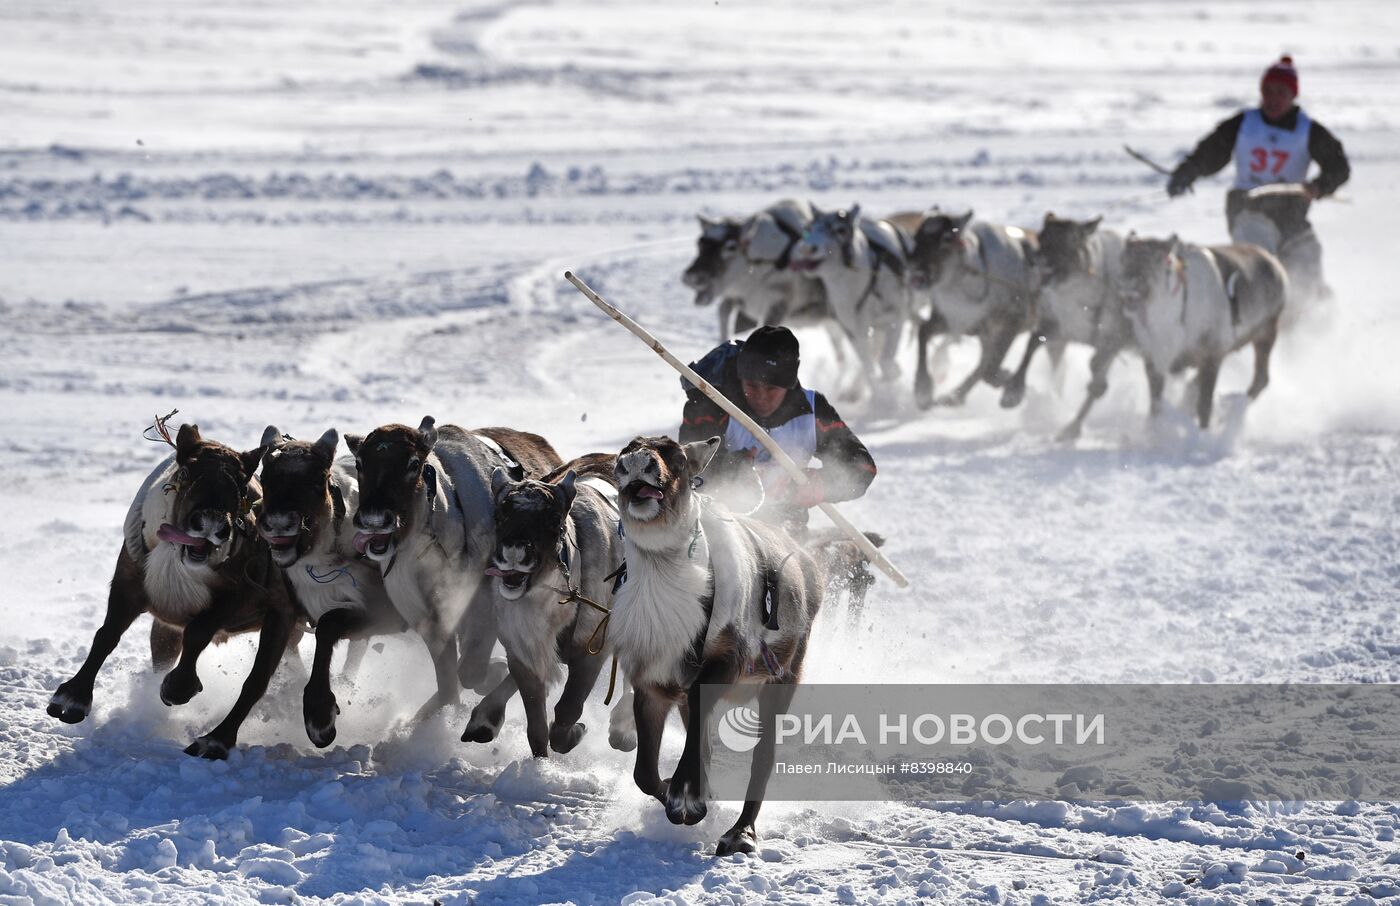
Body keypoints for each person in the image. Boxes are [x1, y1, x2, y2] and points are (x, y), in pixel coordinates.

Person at [1166, 55, 1350, 300]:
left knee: (1308, 270)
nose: (1273, 98)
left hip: (1292, 215)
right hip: (1248, 210)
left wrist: (1320, 186)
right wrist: (1188, 172)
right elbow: (1211, 153)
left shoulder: (1309, 131)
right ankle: (1251, 313)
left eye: (1280, 92)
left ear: (1293, 95)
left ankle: (1312, 324)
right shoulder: (1243, 123)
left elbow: (1339, 166)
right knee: (1261, 268)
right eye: (1268, 91)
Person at [678, 325, 876, 536]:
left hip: (789, 537)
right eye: (752, 386)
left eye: (771, 389)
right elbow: (687, 468)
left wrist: (824, 483)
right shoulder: (714, 405)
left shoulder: (813, 411)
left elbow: (863, 469)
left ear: (788, 384)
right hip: (719, 532)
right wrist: (736, 469)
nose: (761, 396)